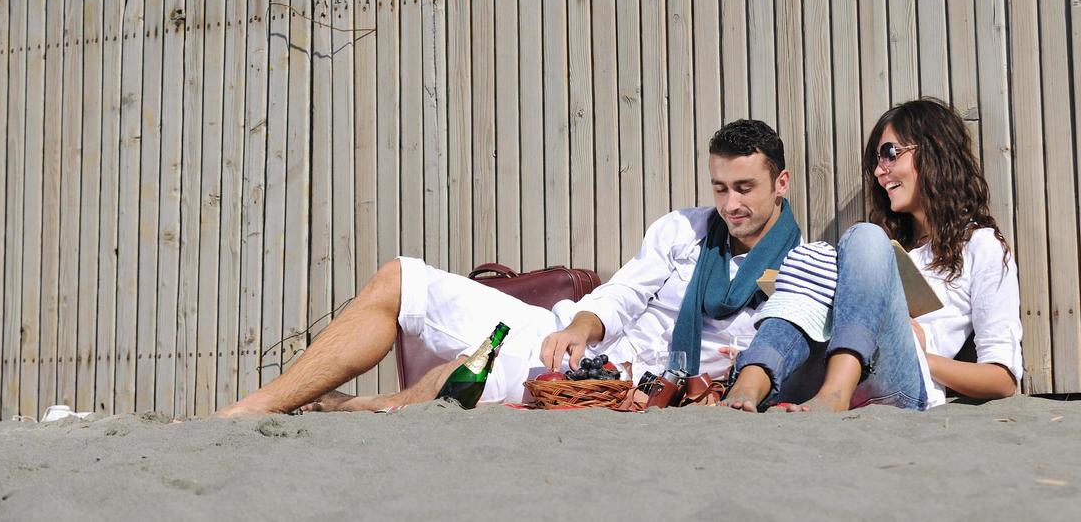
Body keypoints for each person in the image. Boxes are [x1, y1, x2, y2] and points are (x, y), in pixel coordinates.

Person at [218, 119, 801, 415]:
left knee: (447, 394)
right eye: (720, 187)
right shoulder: (686, 229)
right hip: (564, 340)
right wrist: (578, 327)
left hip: (612, 387)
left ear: (781, 183)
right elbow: (623, 294)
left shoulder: (805, 267)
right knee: (400, 279)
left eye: (745, 188)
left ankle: (359, 406)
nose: (731, 205)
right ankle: (250, 410)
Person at [724, 98, 1021, 413]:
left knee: (864, 236)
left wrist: (919, 352)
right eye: (877, 160)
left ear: (934, 152)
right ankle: (749, 385)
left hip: (902, 384)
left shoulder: (980, 245)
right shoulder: (891, 246)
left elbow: (1002, 379)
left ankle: (833, 394)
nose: (880, 171)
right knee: (816, 257)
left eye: (890, 154)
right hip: (829, 369)